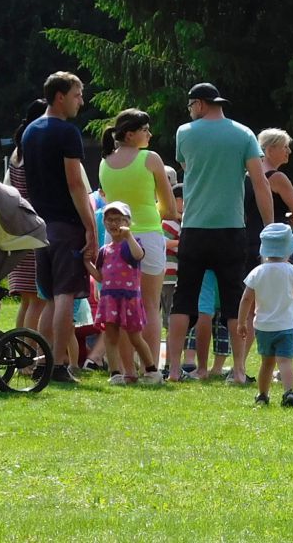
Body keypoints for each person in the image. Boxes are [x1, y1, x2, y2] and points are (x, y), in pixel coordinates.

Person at [166, 82, 273, 382]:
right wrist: (269, 228)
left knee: (183, 299)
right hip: (231, 229)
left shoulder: (184, 133)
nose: (190, 111)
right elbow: (260, 183)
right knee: (234, 301)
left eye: (191, 106)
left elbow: (186, 164)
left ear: (200, 104)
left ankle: (173, 370)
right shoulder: (244, 134)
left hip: (194, 228)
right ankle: (238, 370)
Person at [21, 72, 99, 384]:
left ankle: (44, 362)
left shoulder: (29, 131)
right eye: (77, 95)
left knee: (51, 297)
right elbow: (75, 183)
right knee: (66, 294)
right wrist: (90, 226)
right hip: (66, 225)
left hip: (40, 225)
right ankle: (57, 364)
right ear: (60, 96)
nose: (81, 101)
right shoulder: (67, 132)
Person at [98, 109, 178, 373]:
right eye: (145, 130)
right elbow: (169, 208)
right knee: (150, 306)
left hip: (116, 240)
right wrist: (152, 211)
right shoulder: (150, 158)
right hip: (149, 235)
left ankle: (127, 370)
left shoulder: (104, 163)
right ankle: (150, 369)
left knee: (122, 306)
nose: (150, 134)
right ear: (130, 134)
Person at [86, 200, 165, 385]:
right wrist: (86, 263)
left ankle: (152, 370)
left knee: (135, 337)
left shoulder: (131, 245)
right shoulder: (105, 251)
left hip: (129, 299)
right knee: (111, 336)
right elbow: (100, 277)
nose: (114, 224)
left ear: (128, 222)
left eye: (119, 219)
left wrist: (129, 236)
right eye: (110, 220)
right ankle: (115, 373)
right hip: (110, 300)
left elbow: (138, 255)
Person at [237, 224, 293, 407]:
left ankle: (262, 395)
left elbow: (246, 299)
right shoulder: (291, 270)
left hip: (264, 326)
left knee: (266, 363)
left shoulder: (257, 272)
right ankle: (289, 392)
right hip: (287, 325)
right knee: (286, 361)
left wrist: (242, 322)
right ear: (288, 250)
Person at [6, 99, 48, 335]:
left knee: (27, 300)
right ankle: (30, 350)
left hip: (19, 227)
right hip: (35, 227)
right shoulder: (35, 149)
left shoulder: (17, 151)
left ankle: (19, 348)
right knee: (38, 300)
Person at [243, 128, 293, 263]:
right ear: (269, 150)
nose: (289, 151)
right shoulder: (277, 178)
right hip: (276, 245)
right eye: (285, 147)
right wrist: (291, 221)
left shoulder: (246, 177)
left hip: (248, 242)